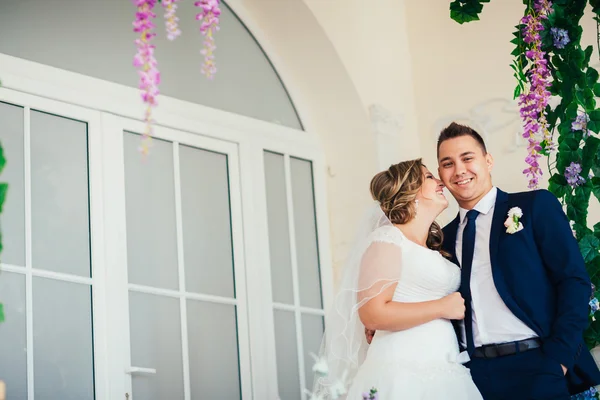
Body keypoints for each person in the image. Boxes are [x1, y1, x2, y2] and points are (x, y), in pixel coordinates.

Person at [436, 122, 600, 399]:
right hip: (473, 377)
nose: (459, 170)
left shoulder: (534, 206)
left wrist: (558, 359)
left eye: (467, 158)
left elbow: (573, 281)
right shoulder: (443, 239)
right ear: (440, 173)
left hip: (537, 365)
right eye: (447, 163)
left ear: (488, 161)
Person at [312, 159, 483, 399]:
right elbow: (372, 314)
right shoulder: (388, 239)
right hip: (401, 367)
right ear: (411, 191)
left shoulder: (435, 248)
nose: (440, 182)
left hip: (443, 364)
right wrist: (442, 307)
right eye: (430, 177)